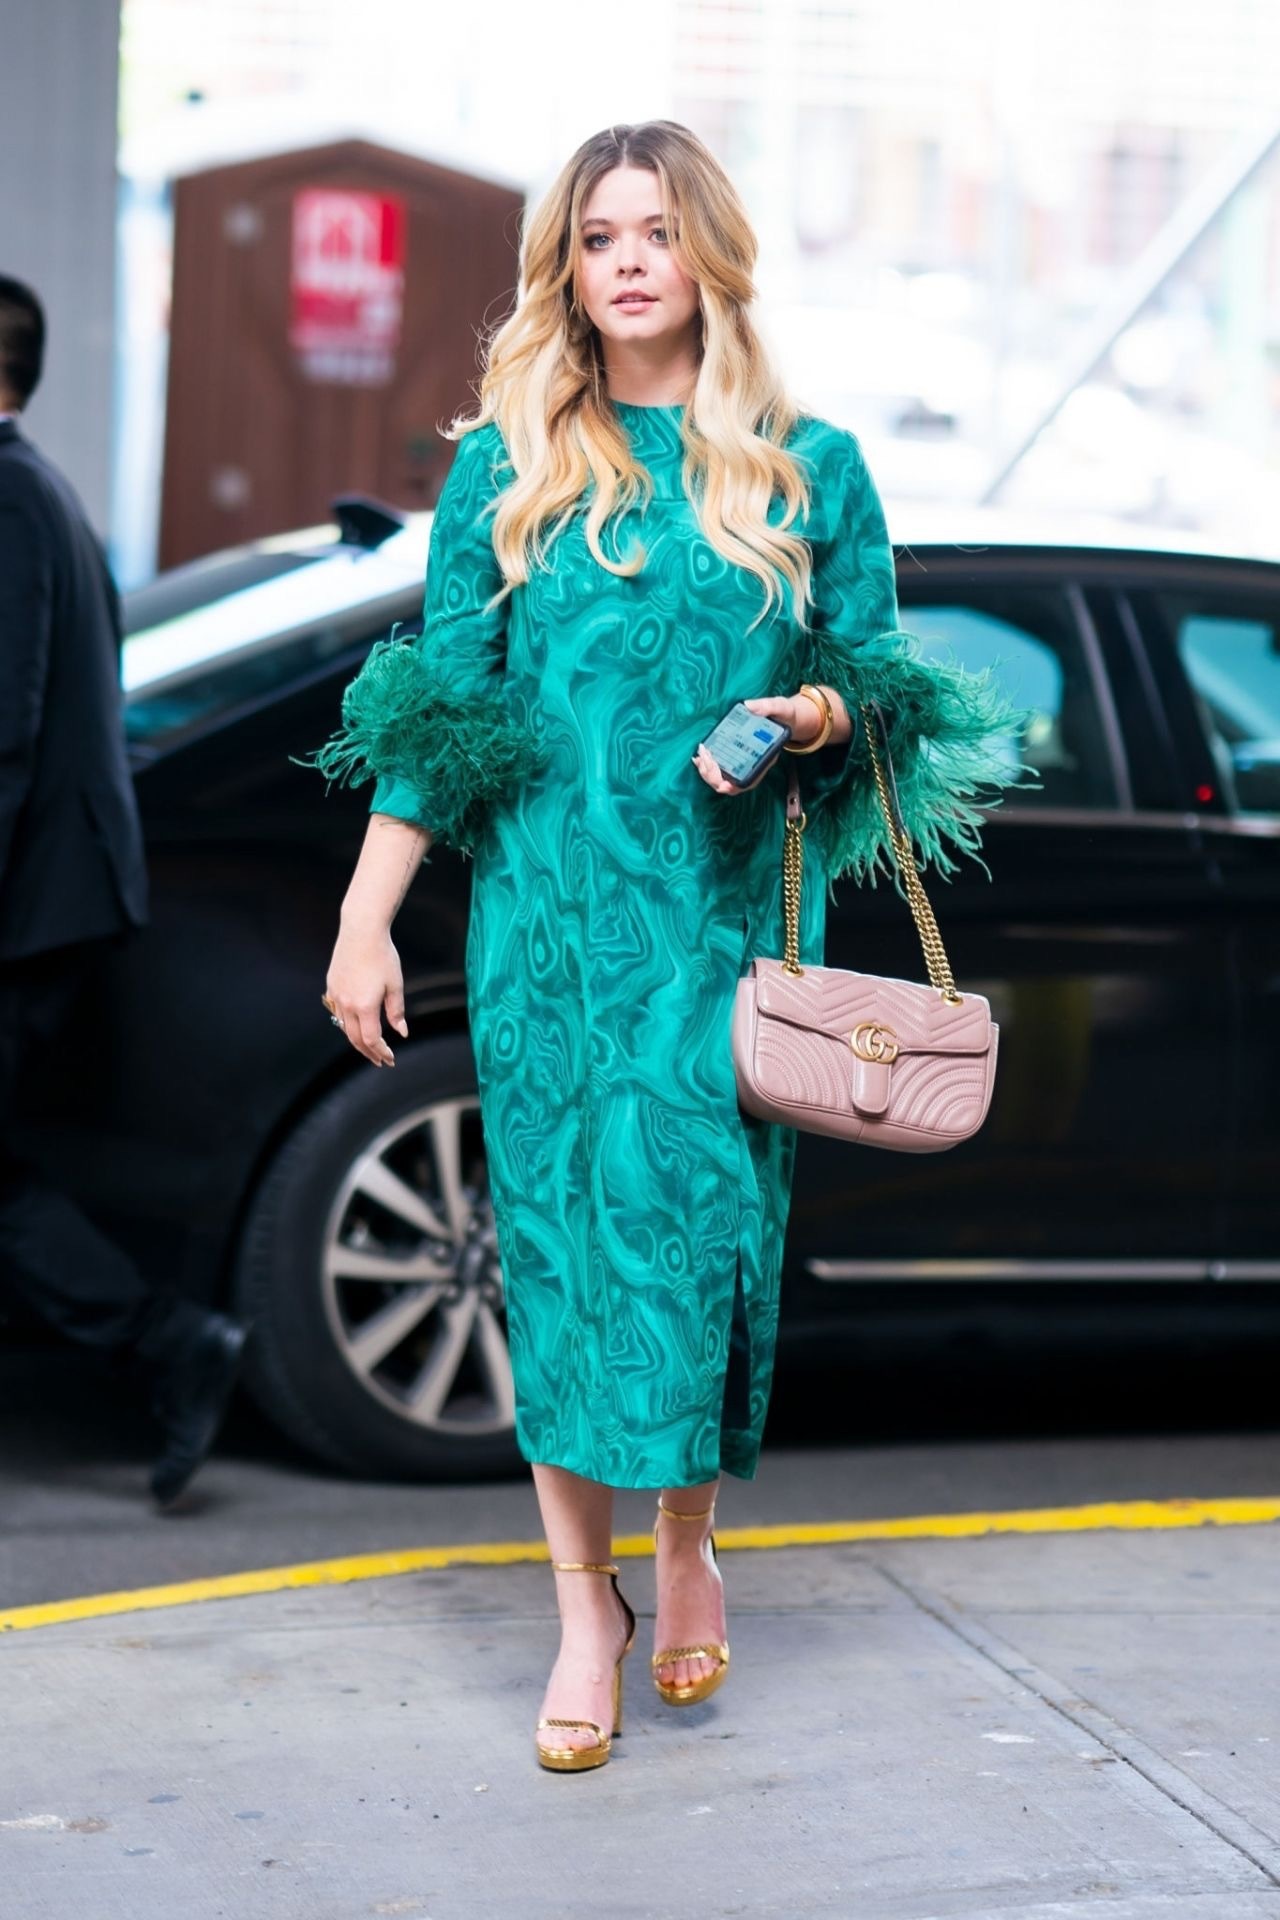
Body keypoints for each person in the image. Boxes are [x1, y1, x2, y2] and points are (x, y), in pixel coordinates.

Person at [307, 122, 1034, 1771]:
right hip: (547, 944)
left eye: (654, 231)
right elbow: (438, 718)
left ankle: (688, 1540)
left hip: (717, 943)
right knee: (560, 1261)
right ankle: (587, 1611)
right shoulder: (510, 465)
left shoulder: (807, 467)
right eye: (596, 238)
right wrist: (364, 918)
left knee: (695, 1252)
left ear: (708, 252)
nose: (627, 262)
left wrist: (809, 714)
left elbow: (883, 689)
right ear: (566, 269)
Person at [0, 274, 251, 1511]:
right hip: (52, 896)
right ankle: (168, 1341)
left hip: (27, 908)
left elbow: (4, 728)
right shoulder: (45, 491)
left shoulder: (9, 497)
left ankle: (170, 1341)